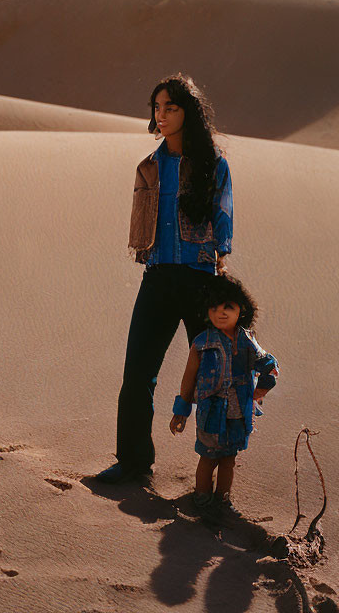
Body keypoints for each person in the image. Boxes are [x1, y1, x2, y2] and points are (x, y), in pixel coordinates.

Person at [96, 74, 234, 484]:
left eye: (170, 107)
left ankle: (215, 472)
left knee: (214, 375)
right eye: (157, 107)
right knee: (138, 373)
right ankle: (134, 462)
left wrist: (219, 266)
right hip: (157, 278)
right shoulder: (150, 166)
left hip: (199, 281)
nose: (162, 115)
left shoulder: (214, 165)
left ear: (187, 112)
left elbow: (223, 221)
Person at [170, 274, 278, 520]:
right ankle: (202, 498)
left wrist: (264, 385)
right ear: (206, 312)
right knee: (207, 458)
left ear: (241, 310)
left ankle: (223, 499)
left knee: (229, 459)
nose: (221, 312)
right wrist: (182, 410)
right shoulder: (201, 343)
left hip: (240, 412)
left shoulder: (247, 340)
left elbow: (269, 364)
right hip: (211, 412)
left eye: (228, 307)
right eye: (214, 307)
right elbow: (188, 379)